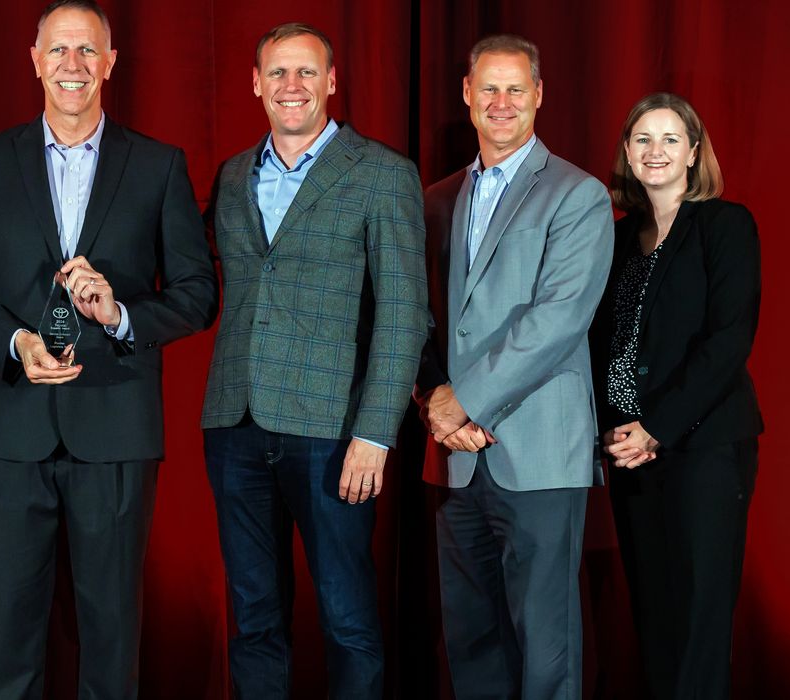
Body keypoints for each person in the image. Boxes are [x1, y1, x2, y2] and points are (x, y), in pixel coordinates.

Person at [0, 1, 218, 695]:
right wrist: (14, 340)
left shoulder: (157, 166)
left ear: (110, 63)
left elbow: (195, 293)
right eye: (58, 51)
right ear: (34, 61)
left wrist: (120, 312)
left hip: (115, 428)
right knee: (9, 632)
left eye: (87, 51)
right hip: (12, 425)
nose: (72, 65)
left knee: (112, 630)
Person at [200, 22, 428, 699]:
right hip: (235, 425)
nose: (290, 86)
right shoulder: (233, 174)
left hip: (332, 432)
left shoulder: (382, 174)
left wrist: (374, 433)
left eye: (305, 73)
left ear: (331, 82)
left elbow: (402, 312)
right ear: (255, 84)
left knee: (347, 618)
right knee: (253, 619)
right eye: (277, 73)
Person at [416, 35, 613, 699]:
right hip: (457, 453)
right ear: (467, 97)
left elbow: (558, 319)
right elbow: (422, 316)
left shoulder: (576, 194)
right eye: (488, 89)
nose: (501, 102)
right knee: (471, 638)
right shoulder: (436, 197)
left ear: (538, 96)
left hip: (536, 453)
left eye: (515, 89)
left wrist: (463, 400)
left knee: (545, 643)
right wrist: (435, 403)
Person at [589, 92, 762, 699]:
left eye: (669, 139)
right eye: (642, 139)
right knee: (655, 617)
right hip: (629, 450)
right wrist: (615, 431)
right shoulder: (612, 239)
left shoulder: (725, 225)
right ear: (628, 155)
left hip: (703, 447)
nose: (654, 151)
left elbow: (728, 340)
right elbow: (596, 342)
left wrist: (656, 427)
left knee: (699, 621)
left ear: (693, 151)